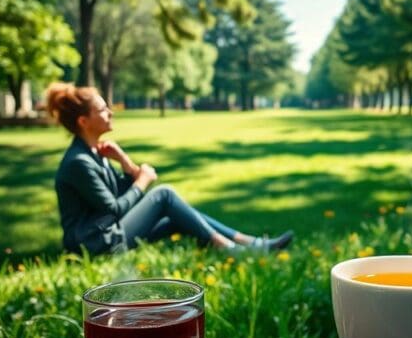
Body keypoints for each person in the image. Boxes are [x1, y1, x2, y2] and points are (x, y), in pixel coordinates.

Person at [45, 82, 293, 255]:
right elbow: (114, 208)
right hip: (96, 245)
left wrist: (125, 163)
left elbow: (114, 193)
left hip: (107, 234)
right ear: (83, 121)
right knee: (163, 194)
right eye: (102, 109)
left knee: (176, 217)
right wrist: (143, 181)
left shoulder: (92, 153)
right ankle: (233, 248)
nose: (110, 112)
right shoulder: (79, 162)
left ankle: (245, 244)